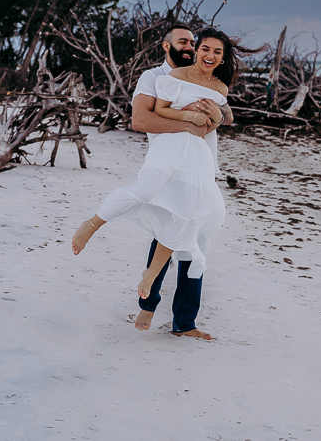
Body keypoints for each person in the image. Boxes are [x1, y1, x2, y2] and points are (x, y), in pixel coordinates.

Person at [71, 26, 239, 340]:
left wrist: (217, 116)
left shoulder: (216, 82)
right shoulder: (156, 77)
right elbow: (141, 119)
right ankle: (146, 299)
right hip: (168, 157)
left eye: (195, 43)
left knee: (191, 231)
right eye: (186, 43)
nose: (192, 48)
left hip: (201, 164)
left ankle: (184, 323)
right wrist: (188, 120)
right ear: (167, 46)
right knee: (158, 212)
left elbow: (224, 115)